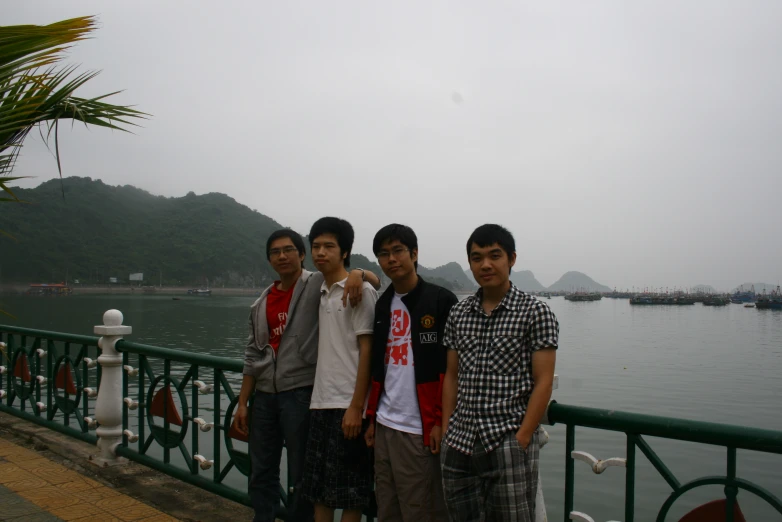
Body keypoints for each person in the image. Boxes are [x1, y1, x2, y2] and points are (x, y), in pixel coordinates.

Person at [236, 228, 379, 522]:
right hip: (267, 395)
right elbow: (253, 353)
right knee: (261, 470)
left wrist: (360, 273)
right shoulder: (261, 302)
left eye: (289, 250)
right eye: (275, 252)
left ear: (303, 256)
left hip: (300, 393)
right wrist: (242, 401)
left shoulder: (316, 283)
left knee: (304, 475)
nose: (282, 256)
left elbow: (371, 281)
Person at [441, 224, 559, 522]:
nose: (485, 264)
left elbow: (544, 381)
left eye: (494, 255)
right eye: (477, 257)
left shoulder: (535, 312)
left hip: (507, 441)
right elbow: (452, 376)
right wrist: (446, 431)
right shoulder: (459, 313)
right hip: (459, 441)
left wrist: (522, 437)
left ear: (512, 259)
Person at [364, 224, 457, 522]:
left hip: (420, 429)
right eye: (383, 254)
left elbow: (450, 371)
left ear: (414, 254)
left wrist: (441, 423)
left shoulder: (441, 301)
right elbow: (379, 368)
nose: (391, 259)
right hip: (384, 425)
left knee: (422, 511)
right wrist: (371, 418)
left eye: (398, 251)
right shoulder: (382, 306)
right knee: (387, 508)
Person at [300, 217, 378, 522]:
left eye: (328, 246)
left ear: (344, 251)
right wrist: (363, 272)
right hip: (320, 402)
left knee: (350, 493)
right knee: (319, 490)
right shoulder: (321, 289)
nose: (321, 252)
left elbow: (367, 349)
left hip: (348, 404)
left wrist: (357, 407)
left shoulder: (359, 291)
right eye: (316, 246)